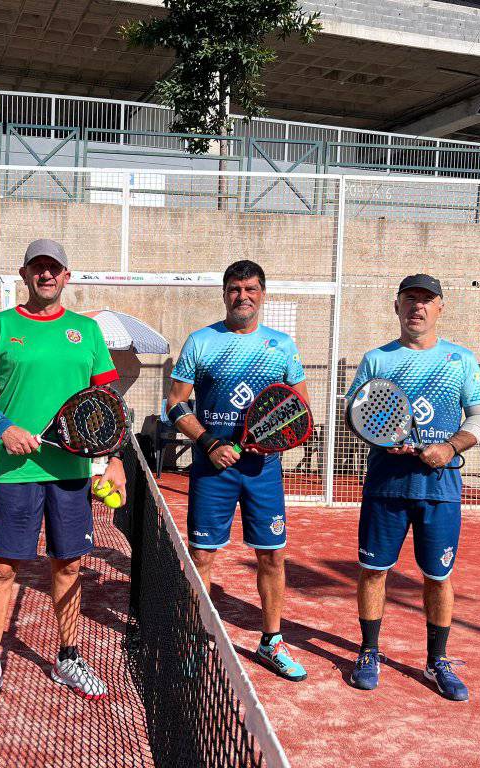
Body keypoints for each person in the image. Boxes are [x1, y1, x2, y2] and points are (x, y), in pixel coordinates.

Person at [0, 238, 124, 713]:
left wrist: (114, 459)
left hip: (70, 473)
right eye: (38, 267)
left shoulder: (86, 332)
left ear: (66, 276)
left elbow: (110, 403)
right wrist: (3, 426)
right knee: (3, 568)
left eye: (54, 268)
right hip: (14, 472)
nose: (46, 275)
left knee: (68, 566)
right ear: (25, 274)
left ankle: (68, 658)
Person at [346, 273, 480, 702]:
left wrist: (449, 447)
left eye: (427, 300)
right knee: (374, 571)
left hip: (440, 489)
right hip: (385, 487)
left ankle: (436, 661)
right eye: (410, 299)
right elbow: (354, 414)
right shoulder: (377, 359)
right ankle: (369, 651)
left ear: (440, 308)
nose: (418, 307)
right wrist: (382, 439)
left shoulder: (460, 360)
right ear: (397, 306)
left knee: (438, 577)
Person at [165, 259, 310, 681]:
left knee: (272, 555)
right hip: (212, 469)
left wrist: (273, 440)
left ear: (262, 294)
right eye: (234, 288)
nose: (242, 296)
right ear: (224, 293)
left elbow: (300, 410)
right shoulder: (201, 341)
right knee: (202, 555)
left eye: (250, 289)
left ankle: (271, 641)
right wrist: (208, 442)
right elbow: (174, 403)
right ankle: (197, 637)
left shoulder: (282, 345)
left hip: (263, 470)